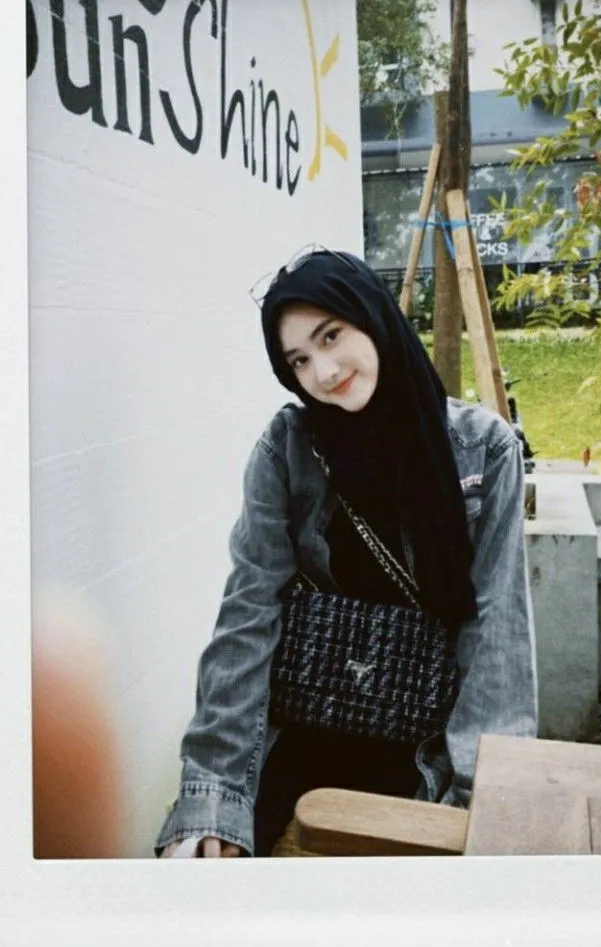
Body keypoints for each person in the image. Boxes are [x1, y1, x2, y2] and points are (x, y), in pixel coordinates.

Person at [157, 247, 537, 859]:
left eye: (331, 336)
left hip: (424, 739)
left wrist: (480, 798)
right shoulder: (289, 448)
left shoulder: (483, 450)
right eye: (299, 360)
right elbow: (249, 614)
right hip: (307, 725)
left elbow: (497, 630)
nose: (324, 371)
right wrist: (216, 793)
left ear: (374, 317)